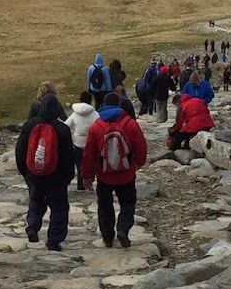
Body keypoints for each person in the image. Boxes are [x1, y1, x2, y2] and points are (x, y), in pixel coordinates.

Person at [81, 92, 148, 249]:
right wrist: (139, 163)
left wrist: (86, 176)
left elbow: (88, 153)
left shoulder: (96, 126)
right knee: (128, 203)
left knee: (104, 206)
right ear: (119, 104)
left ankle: (107, 237)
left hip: (104, 175)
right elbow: (141, 146)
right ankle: (123, 228)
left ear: (103, 105)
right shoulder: (130, 124)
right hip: (126, 173)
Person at [17, 91, 74, 251]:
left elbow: (20, 151)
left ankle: (32, 227)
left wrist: (25, 172)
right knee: (59, 207)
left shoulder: (29, 125)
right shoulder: (62, 129)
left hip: (33, 173)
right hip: (56, 176)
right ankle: (54, 240)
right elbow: (68, 156)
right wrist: (68, 176)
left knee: (36, 200)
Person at [65, 98, 99, 188]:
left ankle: (80, 185)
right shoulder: (95, 115)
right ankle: (90, 182)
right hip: (91, 144)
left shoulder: (74, 114)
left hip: (77, 144)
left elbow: (66, 126)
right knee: (92, 165)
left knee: (80, 166)